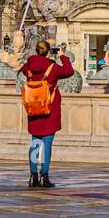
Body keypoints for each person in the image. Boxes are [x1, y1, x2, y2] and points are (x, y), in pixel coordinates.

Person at [16, 39, 73, 188]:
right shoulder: (52, 68)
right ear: (48, 52)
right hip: (49, 109)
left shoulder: (29, 66)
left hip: (34, 108)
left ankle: (33, 176)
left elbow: (22, 69)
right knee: (47, 144)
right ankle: (44, 176)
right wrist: (62, 56)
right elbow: (69, 71)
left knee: (35, 143)